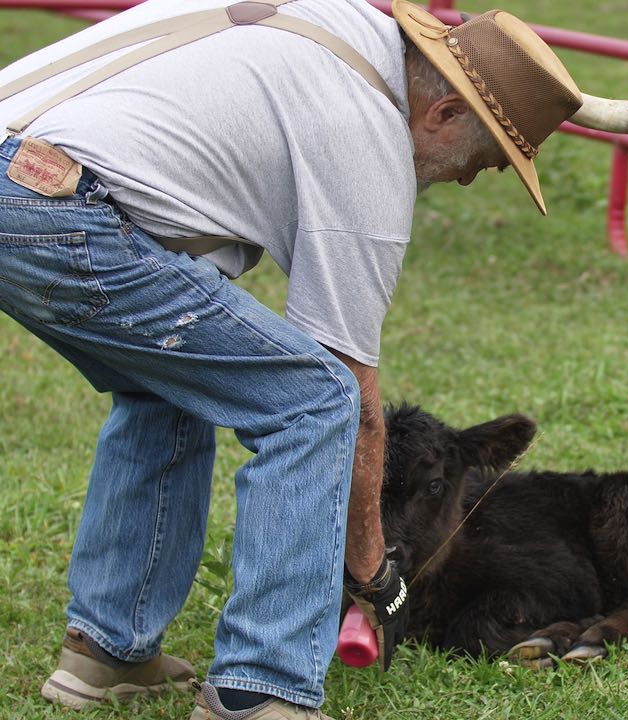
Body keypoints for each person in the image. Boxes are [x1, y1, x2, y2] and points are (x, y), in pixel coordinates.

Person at [0, 0, 584, 717]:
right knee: (312, 400)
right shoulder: (367, 135)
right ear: (447, 116)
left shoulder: (335, 24)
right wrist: (372, 568)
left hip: (28, 173)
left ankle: (108, 652)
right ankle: (260, 685)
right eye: (486, 161)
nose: (466, 181)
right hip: (56, 206)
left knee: (171, 380)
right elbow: (346, 384)